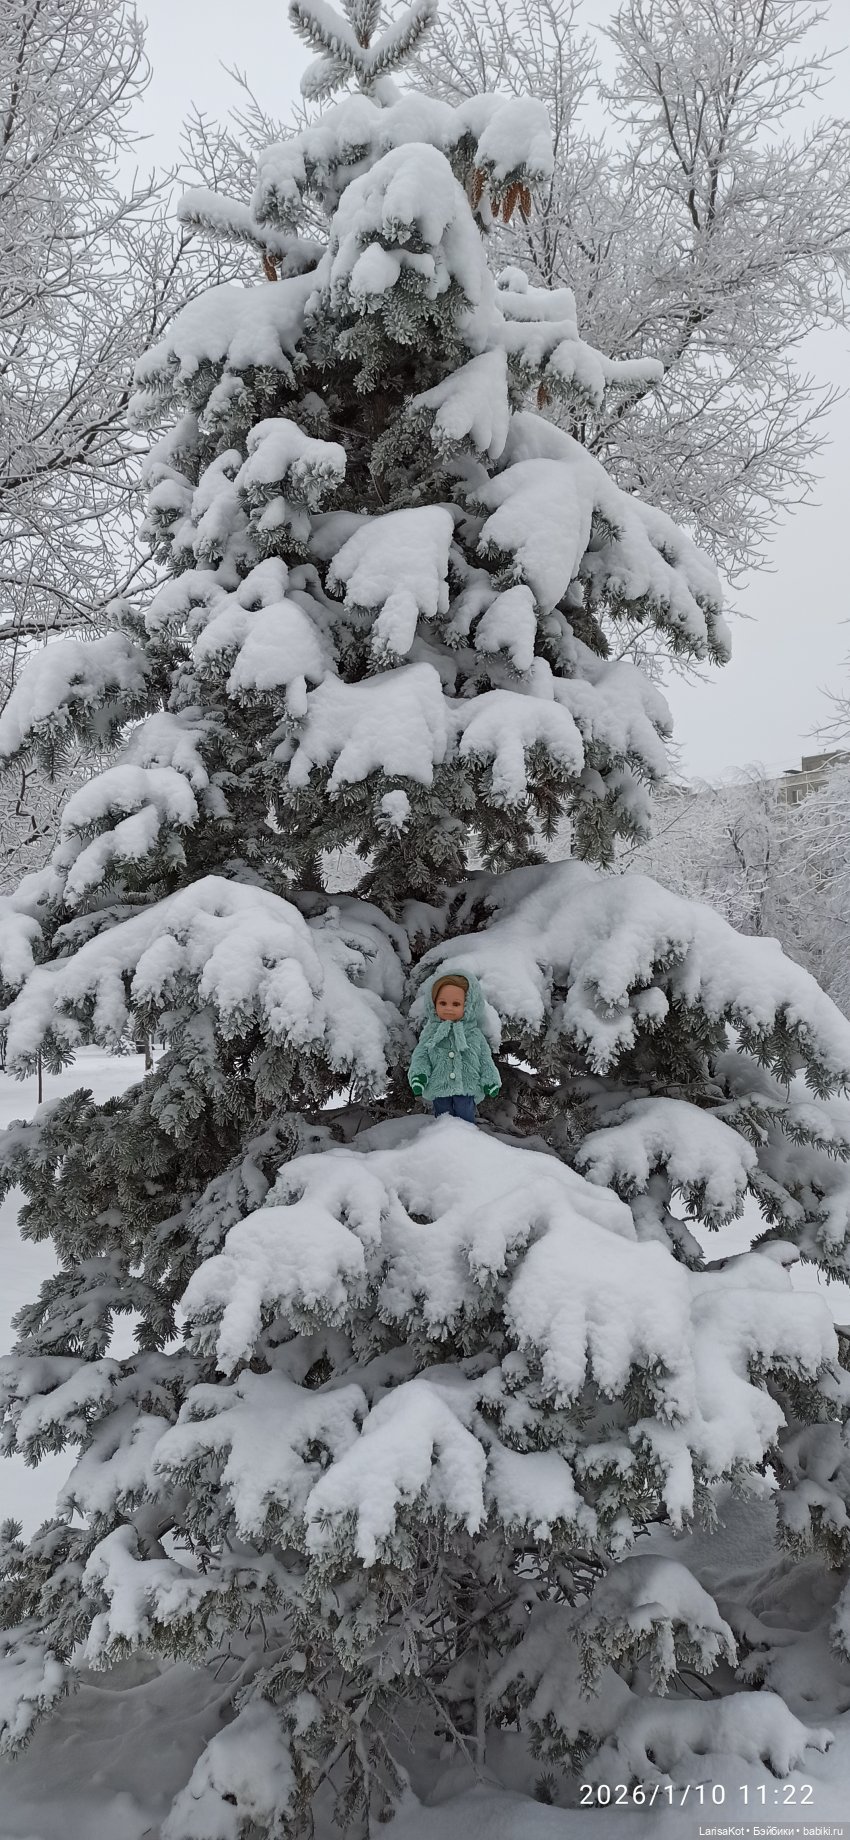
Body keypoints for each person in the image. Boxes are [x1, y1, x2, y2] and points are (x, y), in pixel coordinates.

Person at [407, 970, 501, 1122]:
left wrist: (490, 1080)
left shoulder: (473, 1034)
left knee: (465, 1119)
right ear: (433, 1003)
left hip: (467, 1087)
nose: (448, 1008)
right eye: (442, 1003)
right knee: (443, 1118)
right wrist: (419, 1075)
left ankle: (465, 1136)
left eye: (456, 1004)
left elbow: (485, 1059)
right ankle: (443, 1136)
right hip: (440, 1086)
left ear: (469, 1005)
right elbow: (421, 1055)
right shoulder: (431, 1032)